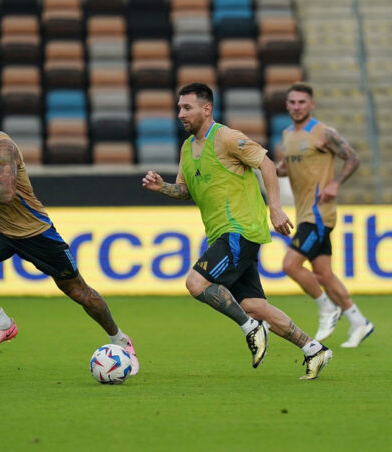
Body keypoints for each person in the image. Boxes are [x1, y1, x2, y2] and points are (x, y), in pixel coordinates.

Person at [0, 103, 139, 374]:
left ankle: (120, 339)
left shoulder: (3, 148)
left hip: (34, 231)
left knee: (79, 292)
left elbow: (6, 193)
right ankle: (2, 324)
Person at [142, 83, 332, 380]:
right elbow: (184, 190)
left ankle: (250, 329)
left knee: (196, 283)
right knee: (253, 305)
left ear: (207, 110)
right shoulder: (187, 148)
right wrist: (162, 187)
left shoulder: (227, 138)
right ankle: (314, 349)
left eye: (187, 107)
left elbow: (266, 164)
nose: (180, 113)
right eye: (179, 107)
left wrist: (276, 208)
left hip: (240, 230)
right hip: (222, 233)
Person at [276, 82, 374, 347]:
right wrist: (264, 170)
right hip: (304, 211)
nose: (297, 107)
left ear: (312, 104)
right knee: (323, 274)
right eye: (292, 102)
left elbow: (352, 158)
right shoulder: (286, 135)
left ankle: (326, 308)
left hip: (319, 214)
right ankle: (358, 322)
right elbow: (287, 168)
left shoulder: (323, 133)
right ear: (287, 105)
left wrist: (336, 183)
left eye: (302, 102)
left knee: (290, 265)